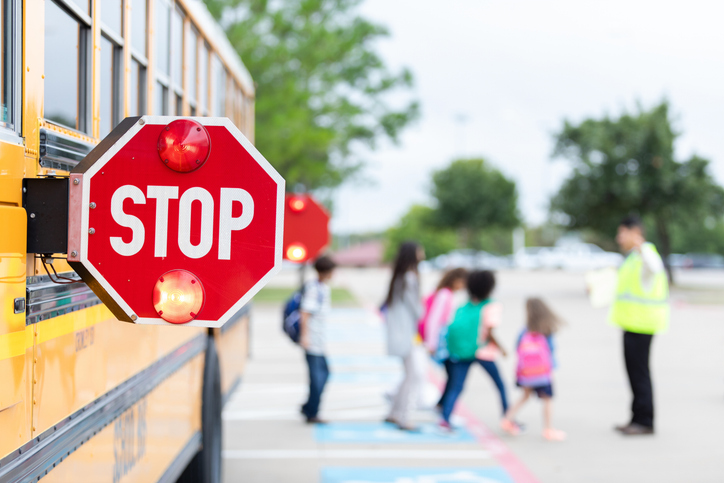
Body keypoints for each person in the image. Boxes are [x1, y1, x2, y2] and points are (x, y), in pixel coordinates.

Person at [610, 215, 669, 436]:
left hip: (641, 325)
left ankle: (644, 421)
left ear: (634, 233)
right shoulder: (633, 258)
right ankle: (636, 417)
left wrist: (640, 246)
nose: (618, 238)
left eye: (622, 233)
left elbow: (653, 268)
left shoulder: (647, 255)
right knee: (634, 374)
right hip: (631, 323)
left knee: (640, 374)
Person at [439, 271, 509, 429]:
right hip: (483, 352)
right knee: (499, 384)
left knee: (456, 387)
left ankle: (445, 418)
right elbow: (490, 332)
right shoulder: (492, 305)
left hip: (462, 353)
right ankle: (508, 417)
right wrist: (502, 349)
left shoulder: (464, 306)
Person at [501, 298, 565, 442]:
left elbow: (517, 348)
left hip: (526, 373)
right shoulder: (546, 330)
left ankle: (507, 419)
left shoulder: (524, 330)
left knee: (524, 396)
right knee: (547, 399)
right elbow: (551, 351)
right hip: (542, 373)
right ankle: (548, 428)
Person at [384, 241, 425, 431]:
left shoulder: (399, 276)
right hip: (407, 335)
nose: (422, 252)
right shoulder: (410, 277)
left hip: (400, 334)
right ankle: (404, 417)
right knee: (415, 375)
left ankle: (394, 412)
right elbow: (416, 309)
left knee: (410, 374)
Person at [299, 255, 337, 424]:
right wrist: (305, 336)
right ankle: (311, 411)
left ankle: (309, 407)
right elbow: (305, 313)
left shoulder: (323, 288)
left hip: (319, 340)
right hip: (312, 341)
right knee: (318, 378)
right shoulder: (314, 289)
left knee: (324, 374)